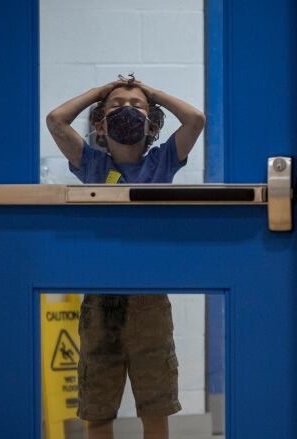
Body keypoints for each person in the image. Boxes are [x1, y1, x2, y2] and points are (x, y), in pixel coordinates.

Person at [46, 74, 206, 439]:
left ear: (151, 125)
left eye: (138, 106)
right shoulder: (91, 164)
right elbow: (56, 119)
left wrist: (152, 93)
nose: (127, 110)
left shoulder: (162, 162)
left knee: (156, 405)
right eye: (117, 106)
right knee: (98, 409)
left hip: (149, 299)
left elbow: (195, 120)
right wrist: (99, 92)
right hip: (101, 299)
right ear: (100, 123)